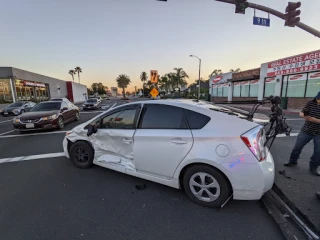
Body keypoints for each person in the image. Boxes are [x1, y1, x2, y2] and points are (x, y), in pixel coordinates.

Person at [284, 91, 320, 176]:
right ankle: (292, 161)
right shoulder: (311, 102)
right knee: (297, 147)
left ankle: (313, 167)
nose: (318, 101)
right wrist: (303, 115)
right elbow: (302, 112)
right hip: (306, 130)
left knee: (318, 152)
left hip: (319, 133)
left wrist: (315, 120)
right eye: (318, 98)